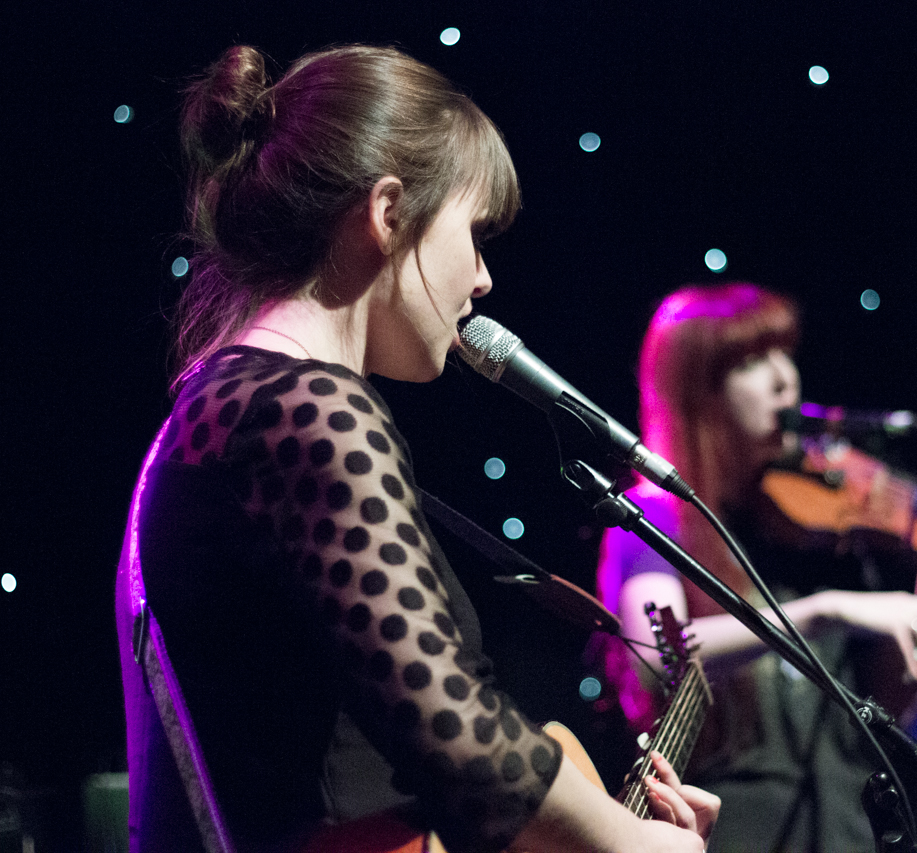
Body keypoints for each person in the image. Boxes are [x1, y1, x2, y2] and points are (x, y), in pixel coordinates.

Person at [113, 44, 718, 853]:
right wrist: (630, 841)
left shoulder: (224, 407)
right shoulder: (309, 407)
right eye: (472, 233)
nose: (483, 278)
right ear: (388, 212)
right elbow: (459, 738)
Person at [596, 283, 917, 852]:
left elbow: (903, 723)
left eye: (784, 353)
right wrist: (824, 613)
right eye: (750, 361)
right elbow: (657, 658)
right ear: (698, 394)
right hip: (731, 833)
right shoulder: (655, 516)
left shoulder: (812, 536)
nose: (784, 377)